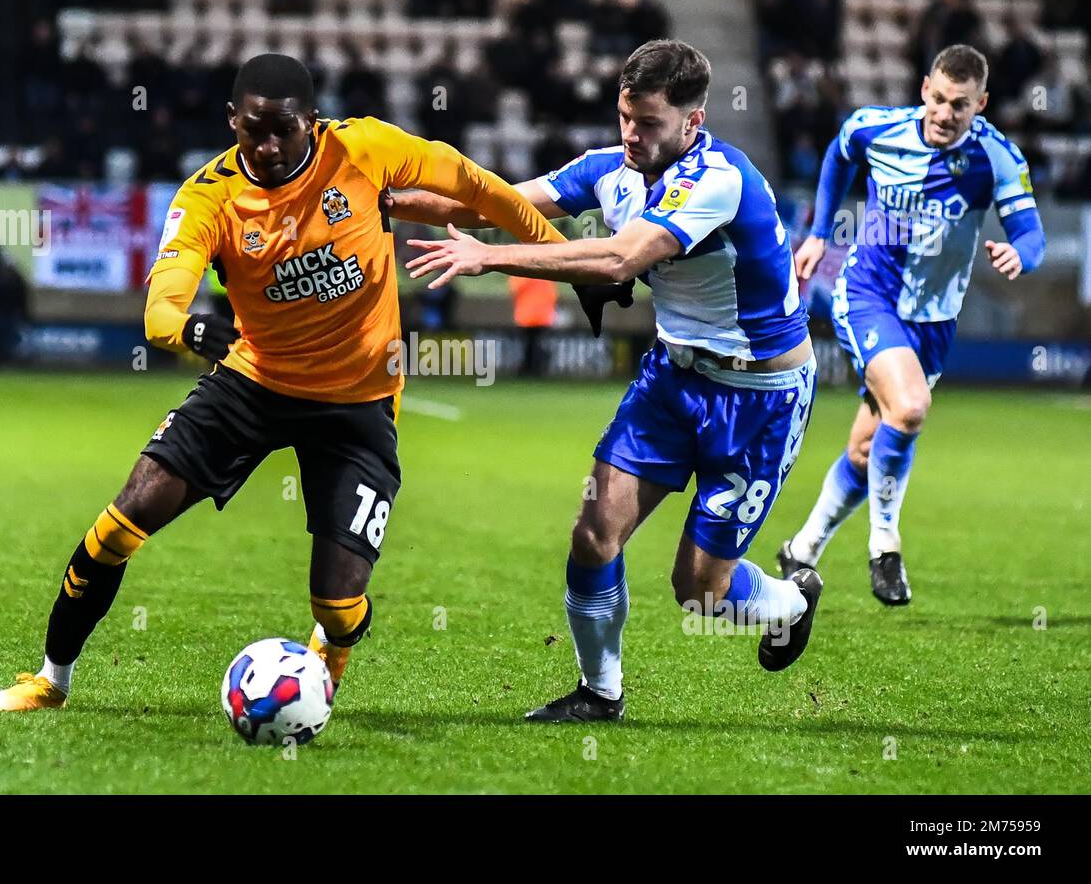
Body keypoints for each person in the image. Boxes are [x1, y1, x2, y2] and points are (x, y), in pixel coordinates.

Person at [0, 53, 565, 712]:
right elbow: (163, 302)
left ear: (311, 123)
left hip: (358, 404)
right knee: (123, 521)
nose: (265, 145)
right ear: (232, 120)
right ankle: (51, 679)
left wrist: (554, 257)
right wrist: (191, 331)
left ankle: (330, 648)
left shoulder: (365, 149)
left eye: (282, 129)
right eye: (251, 129)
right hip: (253, 384)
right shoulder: (212, 194)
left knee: (340, 603)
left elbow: (474, 184)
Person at [397, 40, 820, 723]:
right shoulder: (611, 169)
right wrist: (376, 196)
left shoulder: (719, 178)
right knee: (594, 533)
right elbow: (492, 200)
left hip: (758, 400)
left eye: (649, 122)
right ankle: (600, 693)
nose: (632, 133)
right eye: (626, 116)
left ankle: (794, 599)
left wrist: (489, 259)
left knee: (700, 594)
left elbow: (623, 258)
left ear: (693, 121)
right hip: (670, 382)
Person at [780, 45, 1045, 604]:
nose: (946, 114)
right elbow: (837, 154)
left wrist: (1021, 254)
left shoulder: (995, 156)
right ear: (925, 88)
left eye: (962, 106)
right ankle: (885, 546)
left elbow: (1032, 234)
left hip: (933, 322)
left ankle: (801, 550)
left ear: (982, 104)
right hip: (869, 296)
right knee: (911, 407)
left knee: (865, 449)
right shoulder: (878, 127)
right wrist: (820, 232)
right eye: (941, 99)